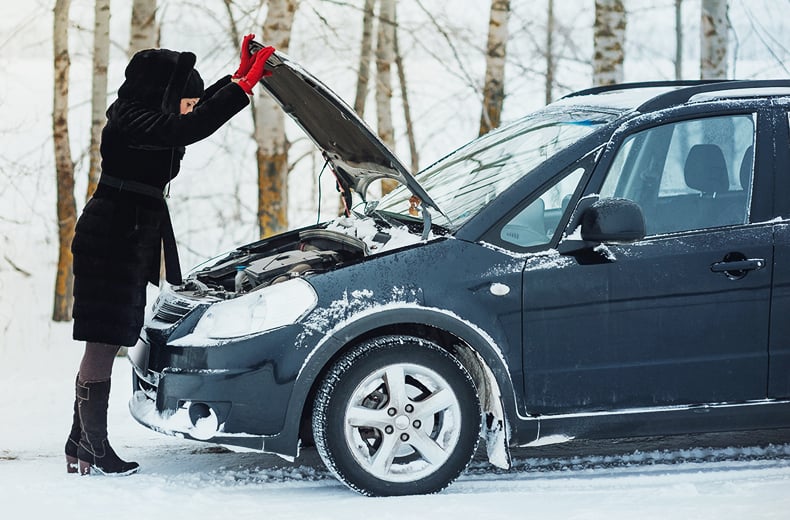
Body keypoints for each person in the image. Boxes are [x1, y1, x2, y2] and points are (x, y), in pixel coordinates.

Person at [65, 34, 275, 476]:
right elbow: (185, 129)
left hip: (129, 233)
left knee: (109, 334)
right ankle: (94, 448)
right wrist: (240, 90)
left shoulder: (144, 115)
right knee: (104, 340)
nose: (189, 109)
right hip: (111, 238)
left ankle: (79, 440)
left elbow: (188, 118)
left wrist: (234, 80)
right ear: (163, 94)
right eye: (184, 101)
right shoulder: (130, 118)